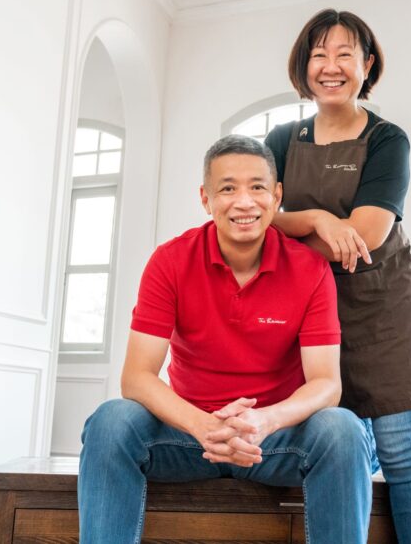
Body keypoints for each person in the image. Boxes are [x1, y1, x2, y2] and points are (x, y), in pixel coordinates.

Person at [78, 135, 374, 544]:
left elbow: (326, 384)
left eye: (257, 187)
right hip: (187, 437)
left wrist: (263, 421)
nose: (244, 202)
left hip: (271, 441)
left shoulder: (309, 269)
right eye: (228, 188)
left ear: (277, 196)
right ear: (205, 198)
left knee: (343, 429)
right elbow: (137, 378)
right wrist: (204, 427)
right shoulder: (170, 261)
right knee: (111, 421)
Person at [265, 9, 411, 542]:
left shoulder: (388, 140)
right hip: (309, 312)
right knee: (334, 445)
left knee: (402, 450)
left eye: (345, 54)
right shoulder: (282, 139)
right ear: (303, 66)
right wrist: (321, 219)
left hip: (383, 309)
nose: (331, 66)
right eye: (319, 55)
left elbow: (367, 235)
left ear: (367, 66)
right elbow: (260, 216)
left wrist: (292, 233)